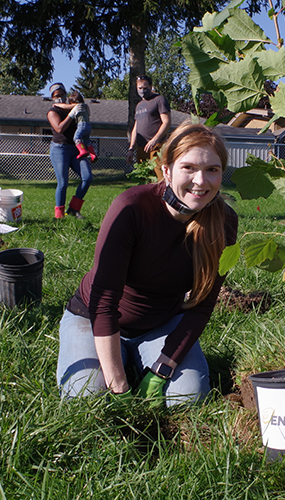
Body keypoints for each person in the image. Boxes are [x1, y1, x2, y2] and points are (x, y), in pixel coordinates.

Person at [55, 123, 237, 406]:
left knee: (188, 397)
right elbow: (103, 304)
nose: (201, 181)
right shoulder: (132, 208)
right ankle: (116, 361)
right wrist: (118, 385)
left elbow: (202, 306)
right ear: (167, 170)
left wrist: (165, 366)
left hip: (160, 324)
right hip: (91, 319)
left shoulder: (225, 222)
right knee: (86, 398)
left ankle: (135, 359)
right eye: (188, 167)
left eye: (212, 169)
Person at [47, 83, 94, 219]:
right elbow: (59, 128)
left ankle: (73, 209)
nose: (60, 97)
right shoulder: (52, 112)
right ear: (52, 97)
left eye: (62, 94)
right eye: (56, 95)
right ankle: (59, 215)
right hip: (60, 149)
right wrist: (71, 114)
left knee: (87, 177)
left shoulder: (73, 107)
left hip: (76, 148)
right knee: (63, 183)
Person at [126, 75, 171, 168]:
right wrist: (131, 149)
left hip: (156, 146)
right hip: (141, 147)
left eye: (145, 88)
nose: (142, 90)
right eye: (140, 88)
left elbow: (166, 122)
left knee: (159, 177)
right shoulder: (139, 105)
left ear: (150, 87)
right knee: (143, 177)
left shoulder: (159, 100)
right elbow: (136, 128)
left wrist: (155, 140)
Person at [67, 90, 96, 162]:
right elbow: (89, 114)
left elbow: (71, 115)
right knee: (87, 141)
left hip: (81, 124)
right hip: (88, 125)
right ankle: (93, 155)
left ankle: (82, 151)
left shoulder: (76, 107)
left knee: (76, 138)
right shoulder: (86, 107)